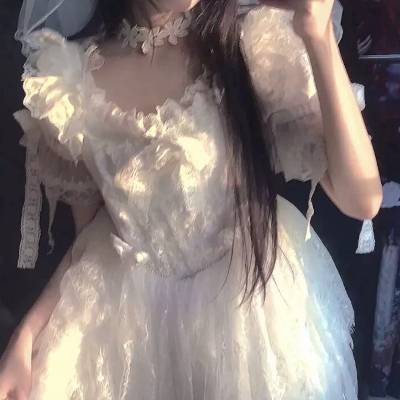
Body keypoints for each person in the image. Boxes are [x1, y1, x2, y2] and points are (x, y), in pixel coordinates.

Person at [0, 0, 382, 398]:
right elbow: (92, 243)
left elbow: (363, 199)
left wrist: (318, 36)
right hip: (128, 341)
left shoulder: (249, 46)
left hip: (248, 327)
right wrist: (26, 335)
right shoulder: (73, 81)